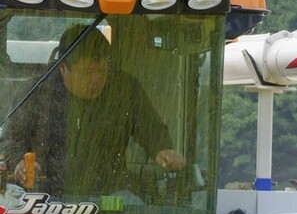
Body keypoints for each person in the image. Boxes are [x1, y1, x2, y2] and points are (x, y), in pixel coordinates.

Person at [1, 24, 185, 197]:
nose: (97, 80)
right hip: (48, 199)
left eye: (103, 69)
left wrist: (162, 149)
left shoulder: (125, 90)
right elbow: (10, 139)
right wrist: (19, 163)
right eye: (87, 72)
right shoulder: (37, 93)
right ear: (63, 68)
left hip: (111, 195)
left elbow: (150, 127)